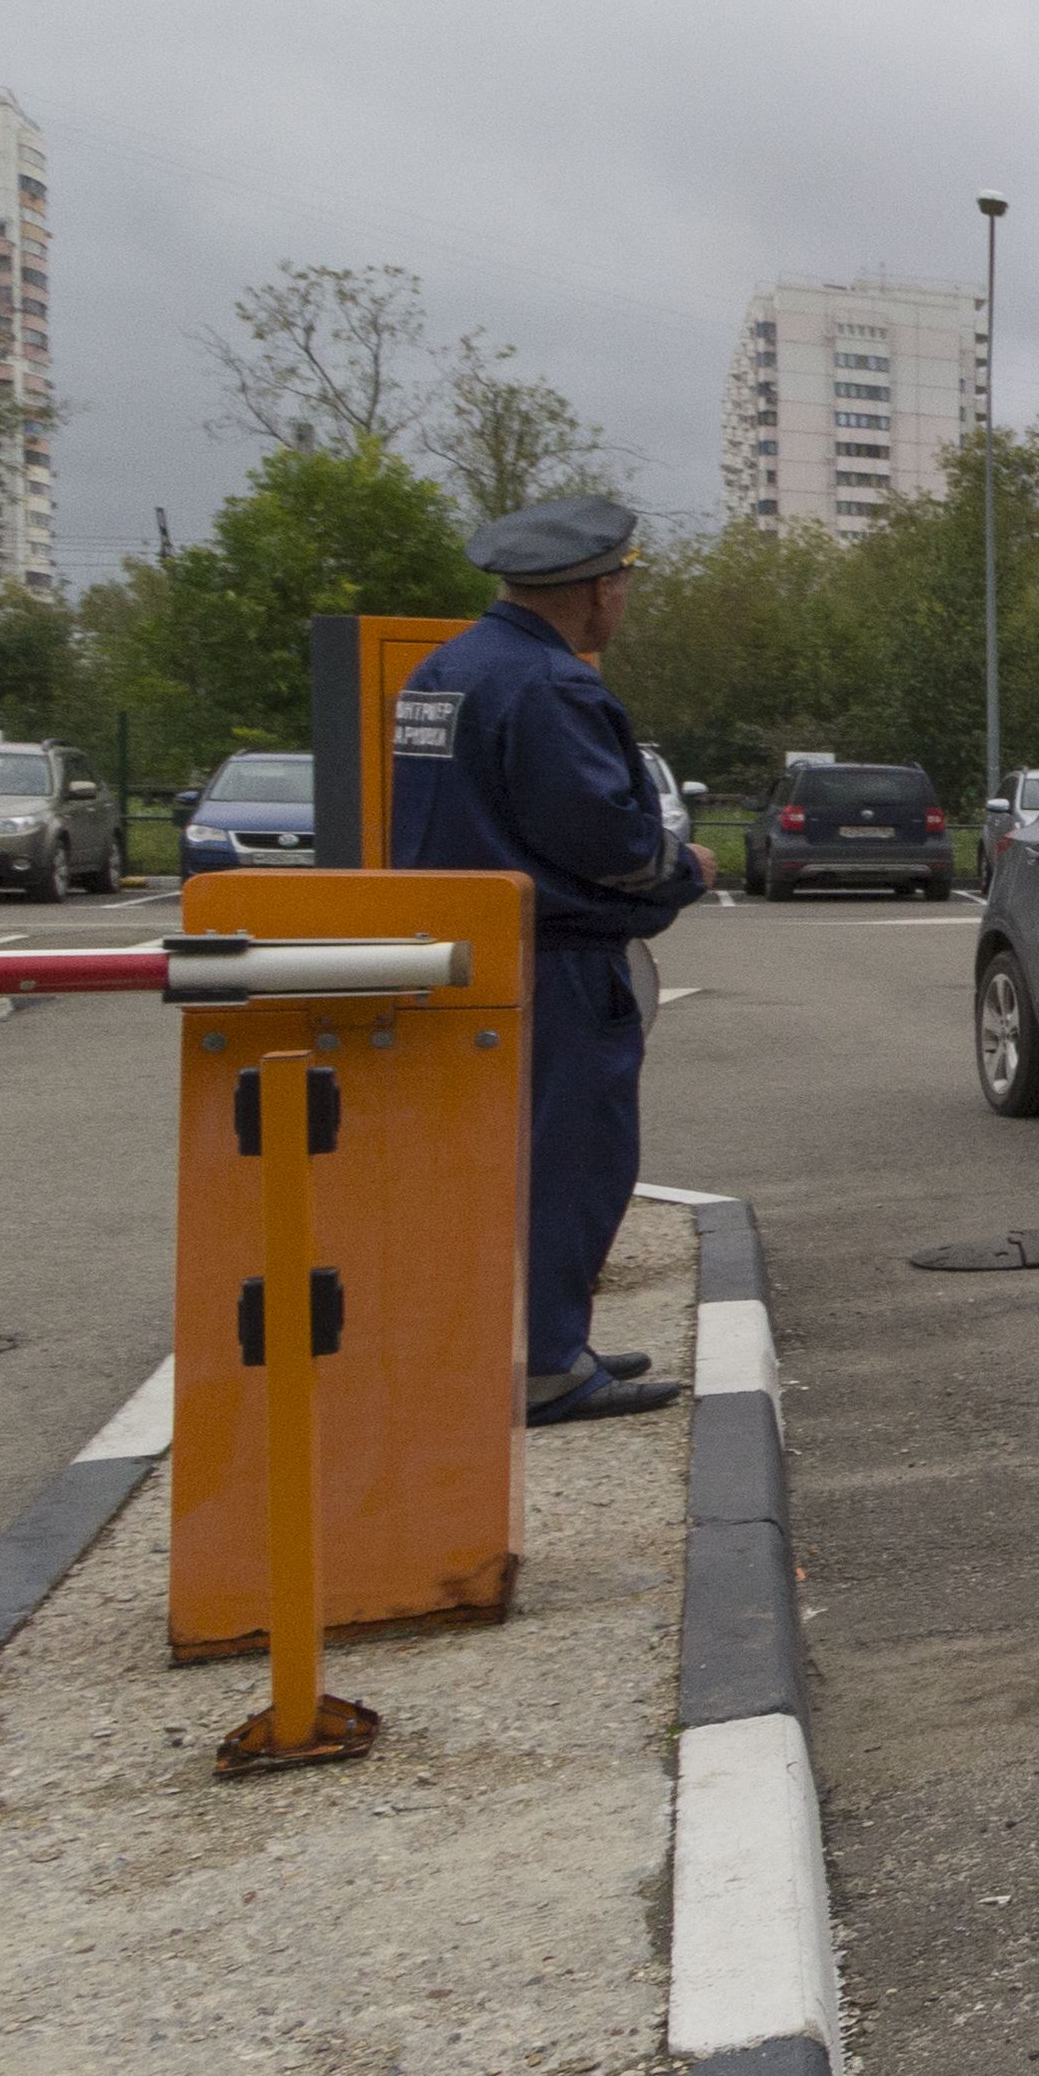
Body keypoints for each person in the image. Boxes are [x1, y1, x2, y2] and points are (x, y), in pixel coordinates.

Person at [394, 495, 714, 1424]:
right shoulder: (553, 685)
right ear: (600, 591)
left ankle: (533, 1342)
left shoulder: (442, 671)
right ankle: (545, 1366)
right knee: (573, 1163)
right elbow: (606, 839)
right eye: (623, 584)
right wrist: (682, 869)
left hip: (458, 954)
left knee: (490, 1168)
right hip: (556, 963)